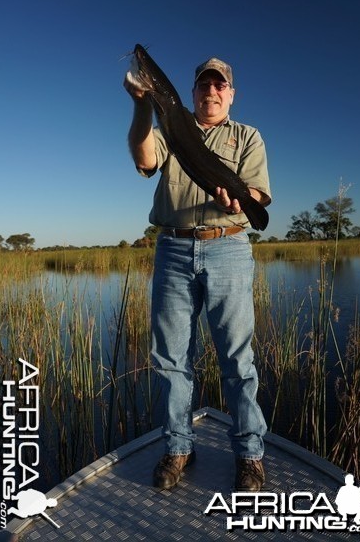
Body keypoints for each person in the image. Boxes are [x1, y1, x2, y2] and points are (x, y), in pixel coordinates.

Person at [124, 54, 271, 491]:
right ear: (191, 93)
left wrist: (240, 201)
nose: (211, 91)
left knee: (237, 359)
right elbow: (145, 159)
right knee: (171, 359)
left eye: (219, 85)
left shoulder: (247, 136)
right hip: (172, 247)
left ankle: (249, 455)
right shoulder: (173, 126)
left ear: (231, 93)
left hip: (228, 245)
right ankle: (178, 447)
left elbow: (260, 195)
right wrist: (142, 105)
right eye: (204, 85)